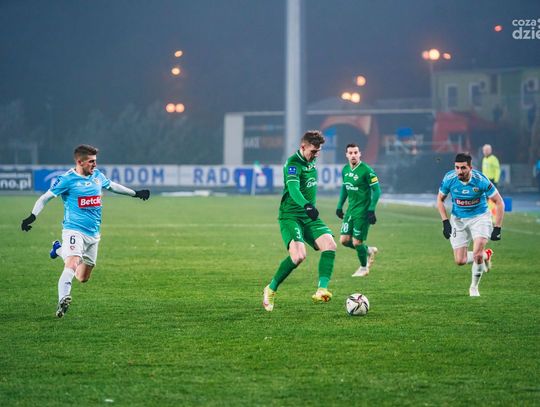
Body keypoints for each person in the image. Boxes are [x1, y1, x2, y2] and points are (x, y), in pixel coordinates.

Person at [20, 144, 150, 317]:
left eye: (95, 161)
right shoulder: (67, 179)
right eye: (91, 161)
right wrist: (32, 216)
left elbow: (113, 186)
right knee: (72, 263)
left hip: (93, 234)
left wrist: (136, 193)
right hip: (74, 230)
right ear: (80, 162)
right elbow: (45, 198)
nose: (95, 164)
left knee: (82, 277)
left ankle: (58, 250)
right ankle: (63, 299)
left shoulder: (97, 175)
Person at [262, 130, 337, 311]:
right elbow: (294, 189)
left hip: (308, 216)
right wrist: (307, 205)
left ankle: (322, 289)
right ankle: (270, 289)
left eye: (318, 151)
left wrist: (308, 209)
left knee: (330, 244)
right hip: (291, 216)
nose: (316, 155)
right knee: (298, 256)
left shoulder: (311, 159)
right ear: (303, 147)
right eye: (313, 151)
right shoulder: (293, 164)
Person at [437, 153, 504, 297]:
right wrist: (445, 221)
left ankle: (474, 287)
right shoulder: (449, 178)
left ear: (470, 168)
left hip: (480, 218)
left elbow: (499, 202)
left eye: (463, 168)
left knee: (477, 253)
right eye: (457, 167)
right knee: (460, 260)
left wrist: (498, 227)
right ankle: (485, 255)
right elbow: (440, 199)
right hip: (458, 220)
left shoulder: (481, 180)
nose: (459, 171)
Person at [335, 144, 381, 277]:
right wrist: (339, 206)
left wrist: (371, 210)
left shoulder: (367, 170)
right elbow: (345, 188)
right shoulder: (345, 170)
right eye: (350, 153)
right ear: (346, 155)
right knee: (344, 240)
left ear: (360, 154)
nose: (353, 155)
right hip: (351, 210)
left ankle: (363, 268)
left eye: (355, 152)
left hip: (363, 211)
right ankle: (368, 250)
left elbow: (377, 191)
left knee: (356, 242)